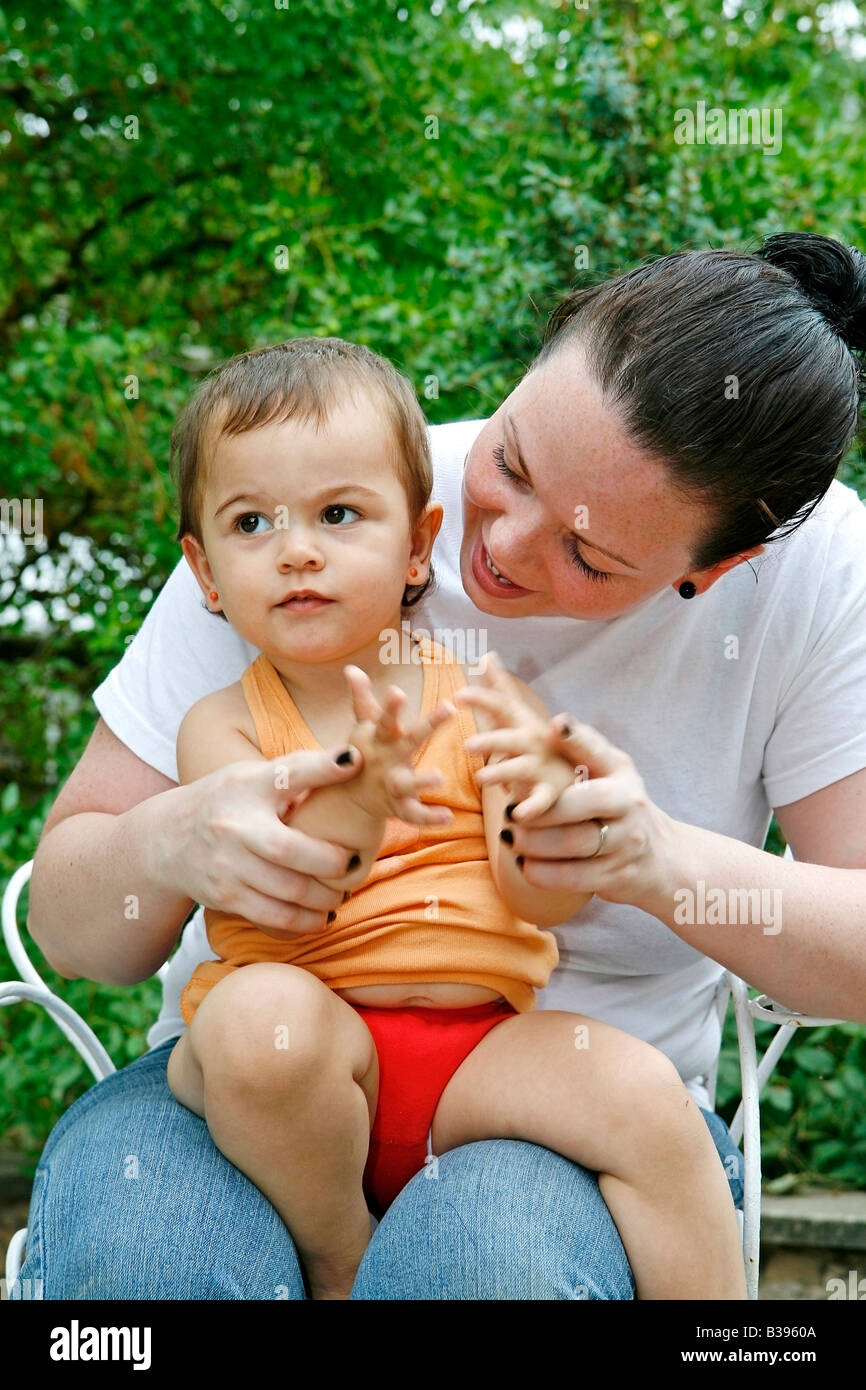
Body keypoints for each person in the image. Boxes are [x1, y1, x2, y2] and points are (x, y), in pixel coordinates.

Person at [21, 231, 866, 1300]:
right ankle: (340, 1261)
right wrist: (171, 840)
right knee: (144, 1272)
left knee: (479, 1276)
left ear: (725, 563)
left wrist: (633, 854)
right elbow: (77, 928)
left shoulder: (817, 580)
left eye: (587, 553)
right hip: (273, 1057)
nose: (500, 543)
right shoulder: (327, 495)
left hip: (520, 1061)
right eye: (508, 461)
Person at [161, 337, 746, 1299]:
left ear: (416, 545)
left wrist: (540, 811)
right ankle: (340, 1258)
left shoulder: (479, 698)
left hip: (474, 1049)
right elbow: (283, 901)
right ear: (207, 572)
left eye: (338, 515)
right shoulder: (222, 725)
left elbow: (538, 906)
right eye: (252, 522)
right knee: (249, 1026)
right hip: (298, 1057)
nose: (297, 548)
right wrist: (358, 794)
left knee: (645, 1099)